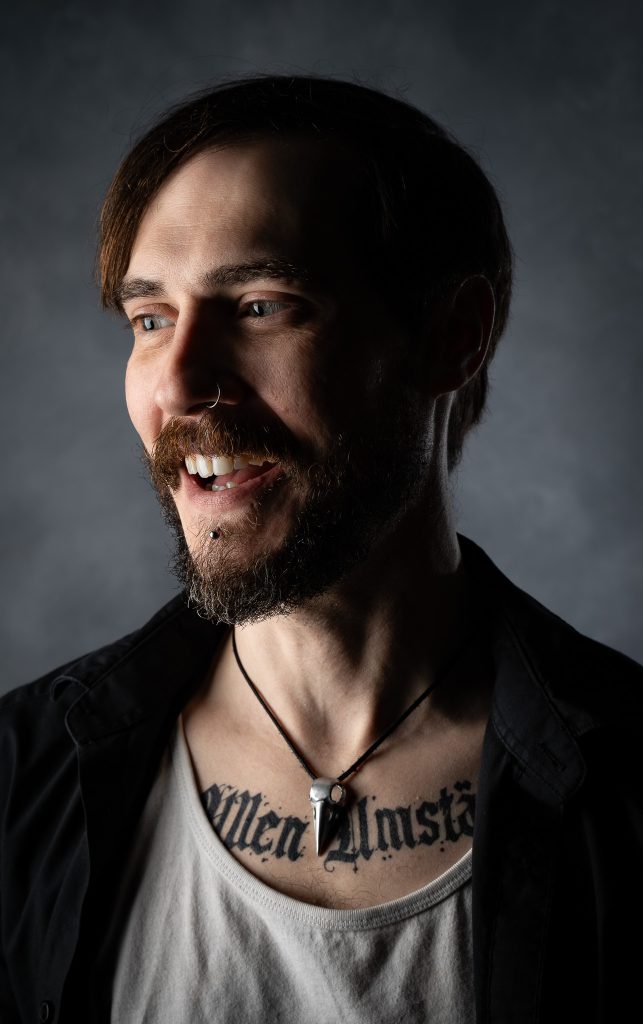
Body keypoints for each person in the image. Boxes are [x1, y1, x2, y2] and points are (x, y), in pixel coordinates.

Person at [1, 75, 641, 1024]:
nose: (176, 386)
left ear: (452, 339)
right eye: (149, 320)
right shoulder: (22, 776)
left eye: (260, 306)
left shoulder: (627, 792)